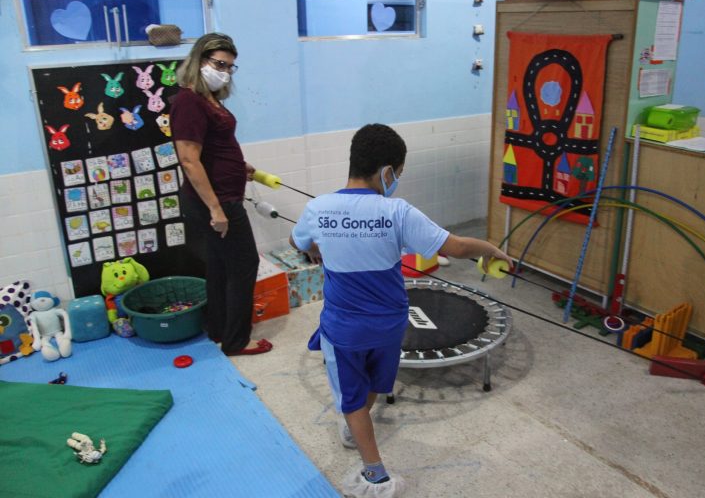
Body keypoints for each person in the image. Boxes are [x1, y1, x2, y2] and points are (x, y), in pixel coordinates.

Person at [290, 123, 515, 497]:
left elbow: (301, 242)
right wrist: (490, 248)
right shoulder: (397, 211)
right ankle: (356, 428)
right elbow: (456, 247)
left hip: (345, 328)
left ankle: (374, 473)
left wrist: (316, 247)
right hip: (391, 324)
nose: (398, 182)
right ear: (387, 172)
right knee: (376, 381)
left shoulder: (318, 208)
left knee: (351, 395)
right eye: (400, 174)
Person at [171, 33, 271, 356]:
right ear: (199, 60)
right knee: (245, 264)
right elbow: (188, 159)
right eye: (218, 64)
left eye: (229, 67)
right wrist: (216, 209)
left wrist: (238, 166)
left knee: (219, 265)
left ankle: (218, 330)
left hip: (224, 192)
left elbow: (214, 148)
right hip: (217, 201)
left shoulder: (208, 99)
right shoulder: (188, 101)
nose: (224, 72)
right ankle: (237, 340)